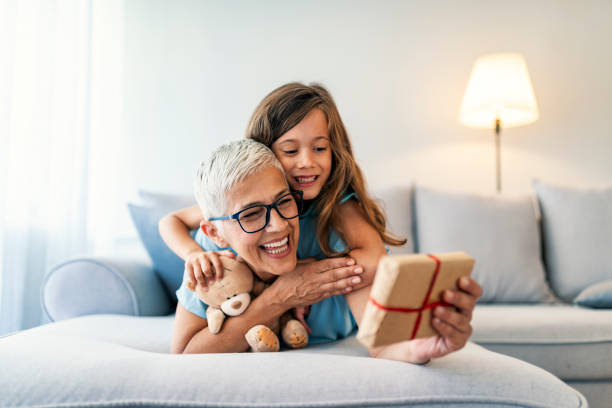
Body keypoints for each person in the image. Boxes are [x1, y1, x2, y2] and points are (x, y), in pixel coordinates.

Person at [163, 83, 483, 362]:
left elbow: (384, 339)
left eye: (319, 148)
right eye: (251, 214)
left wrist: (422, 346)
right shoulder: (220, 235)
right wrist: (280, 295)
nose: (307, 161)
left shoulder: (336, 224)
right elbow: (186, 354)